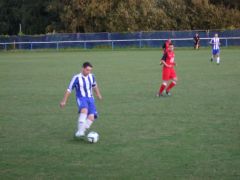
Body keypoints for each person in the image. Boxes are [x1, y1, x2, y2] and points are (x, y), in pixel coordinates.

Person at [60, 62, 102, 137]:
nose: (88, 72)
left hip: (91, 99)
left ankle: (81, 131)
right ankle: (80, 133)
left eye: (90, 70)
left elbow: (94, 86)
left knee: (91, 117)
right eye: (87, 70)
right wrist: (64, 101)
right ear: (82, 68)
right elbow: (69, 89)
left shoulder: (92, 76)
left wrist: (98, 94)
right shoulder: (76, 78)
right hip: (81, 98)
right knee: (84, 111)